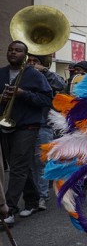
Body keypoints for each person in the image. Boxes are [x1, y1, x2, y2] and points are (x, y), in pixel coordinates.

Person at [0, 41, 53, 227]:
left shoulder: (33, 75)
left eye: (18, 50)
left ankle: (9, 210)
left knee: (17, 167)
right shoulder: (1, 73)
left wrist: (23, 94)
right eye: (11, 49)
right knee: (20, 166)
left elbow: (47, 99)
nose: (13, 52)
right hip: (6, 126)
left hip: (27, 126)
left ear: (25, 54)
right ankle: (32, 200)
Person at [25, 53, 65, 216]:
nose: (32, 64)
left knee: (40, 161)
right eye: (30, 61)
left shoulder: (48, 76)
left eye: (36, 61)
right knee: (26, 164)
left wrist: (45, 71)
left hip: (43, 125)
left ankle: (42, 196)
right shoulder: (23, 75)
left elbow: (61, 84)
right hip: (24, 125)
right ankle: (32, 197)